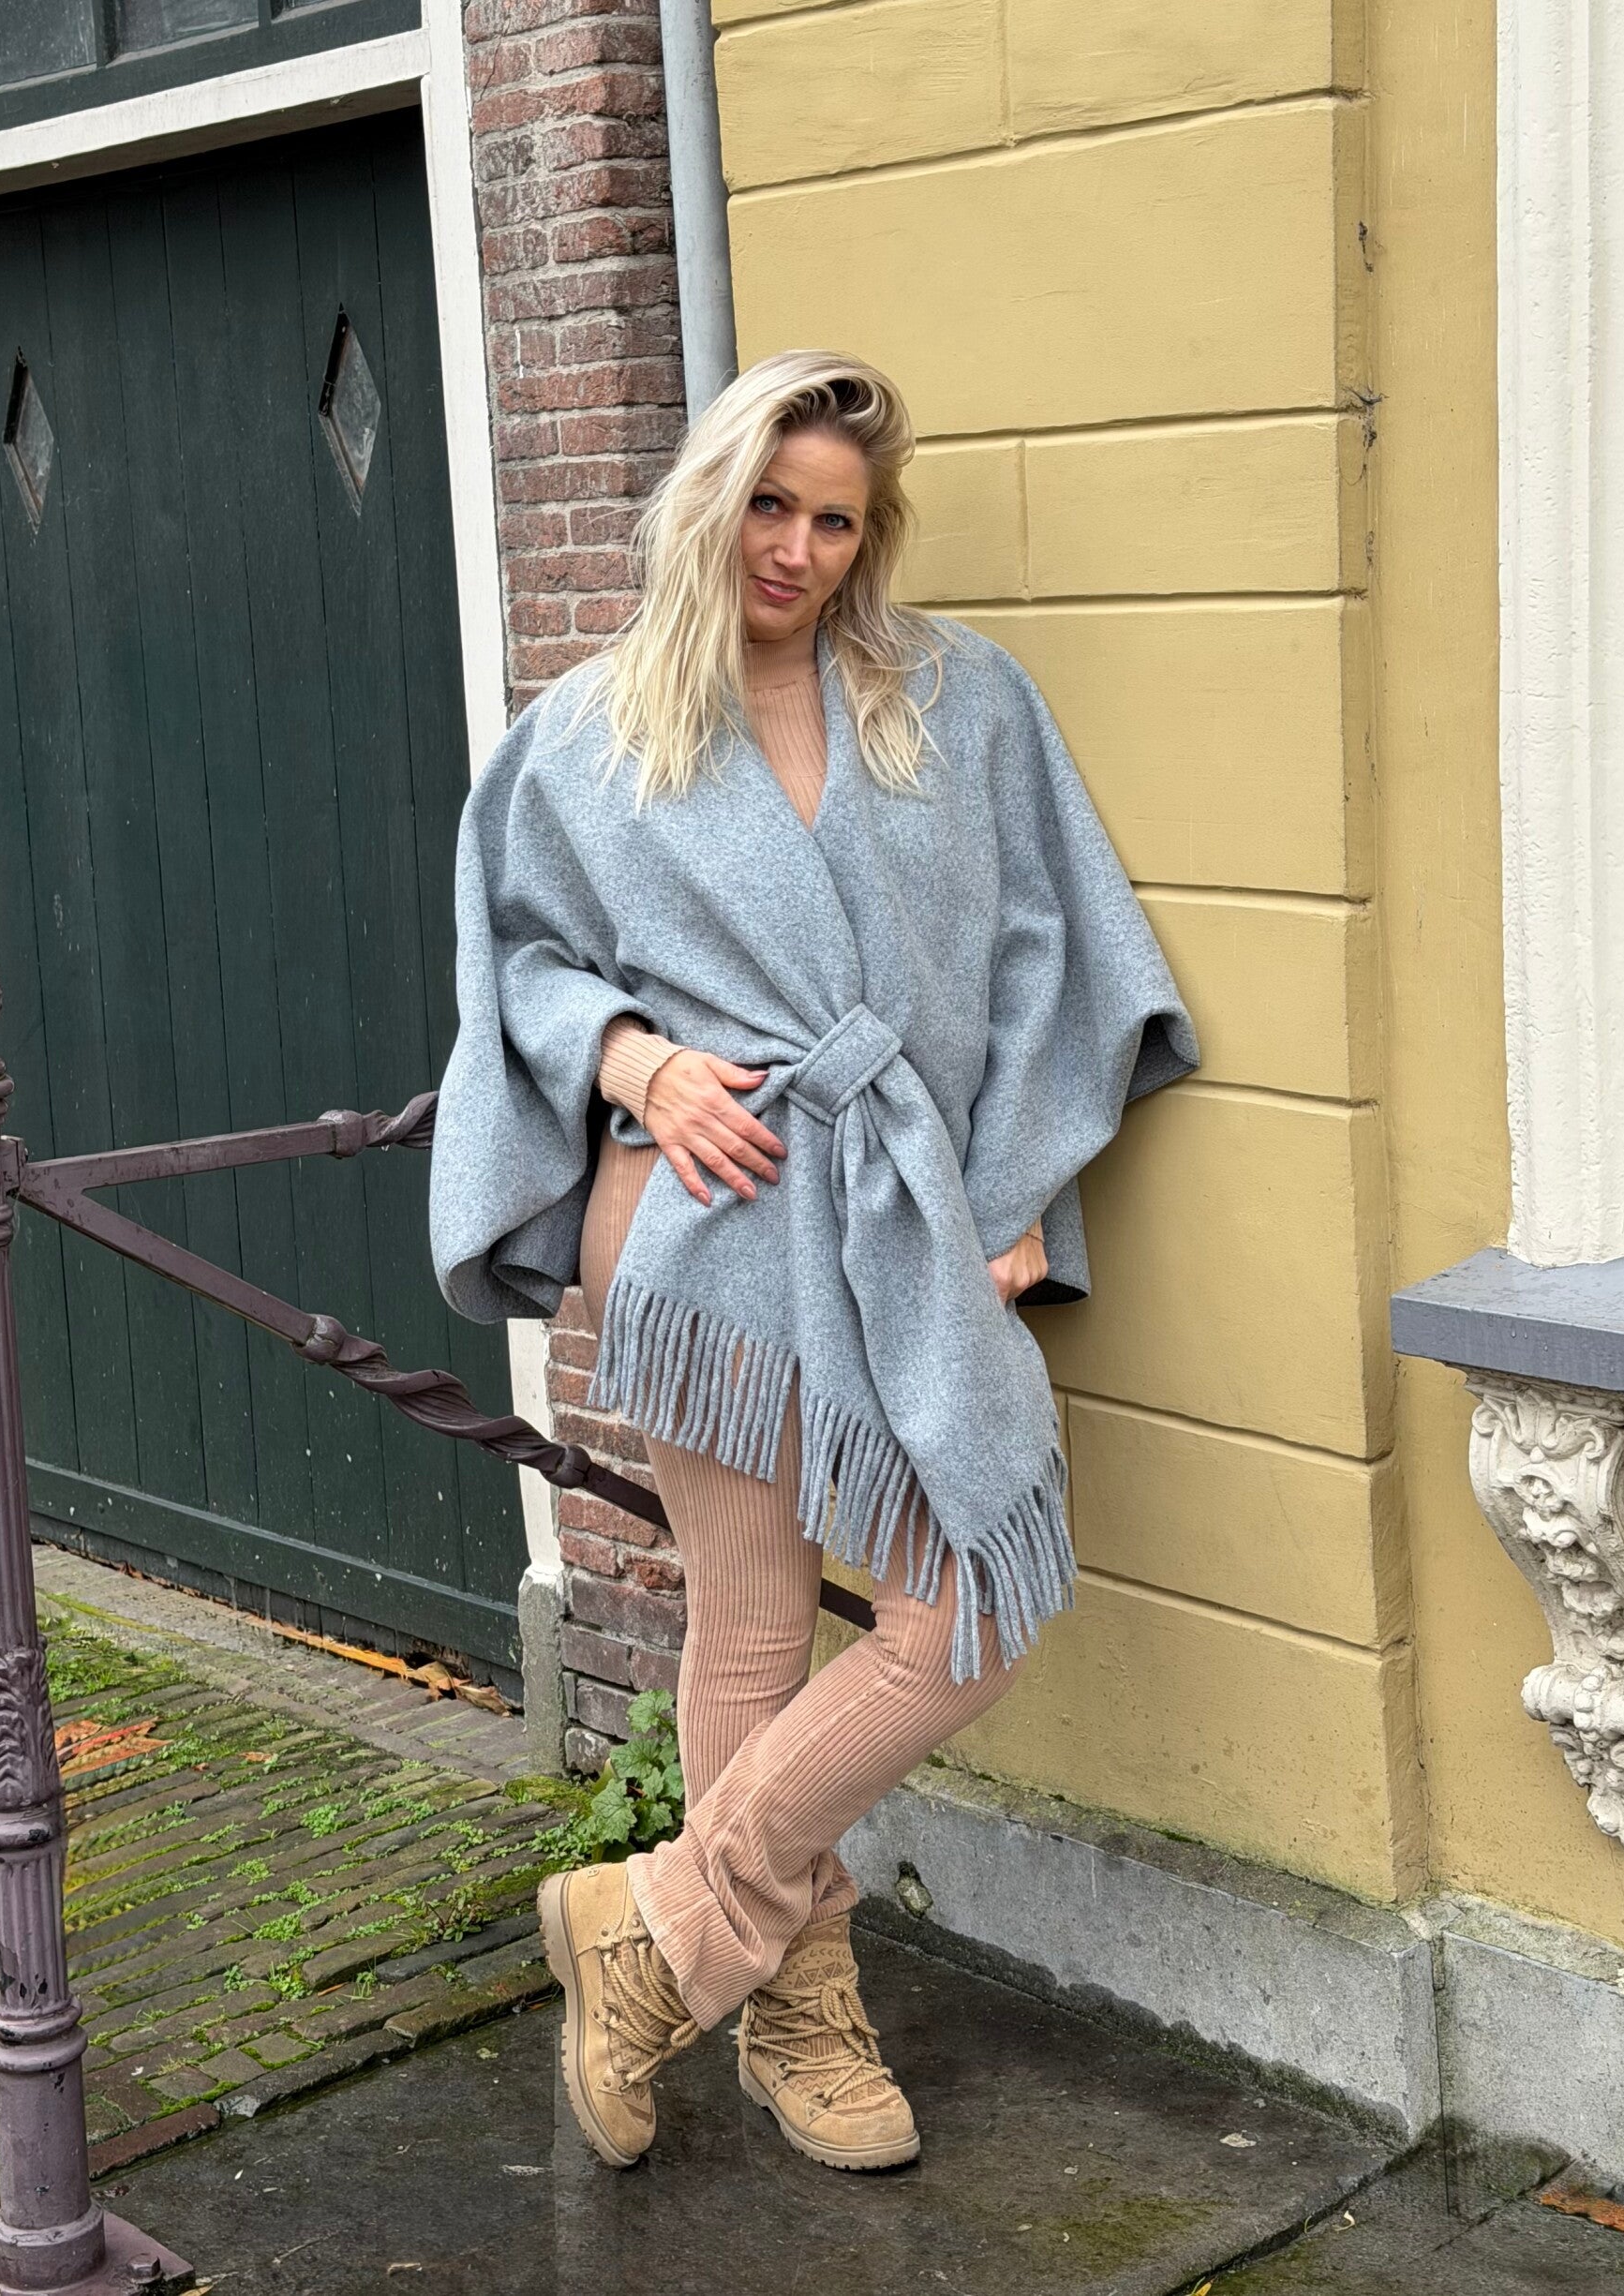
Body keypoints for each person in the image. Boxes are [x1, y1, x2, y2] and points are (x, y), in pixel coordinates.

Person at [429, 350, 1196, 2175]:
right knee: (756, 1621)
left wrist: (1013, 1185)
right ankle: (793, 2014)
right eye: (768, 504)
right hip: (698, 1208)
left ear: (873, 535)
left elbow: (1049, 951)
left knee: (966, 1607)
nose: (796, 548)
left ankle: (658, 1928)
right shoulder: (594, 731)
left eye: (836, 520)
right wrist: (636, 1061)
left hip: (901, 1200)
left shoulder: (956, 700)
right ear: (710, 500)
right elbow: (516, 962)